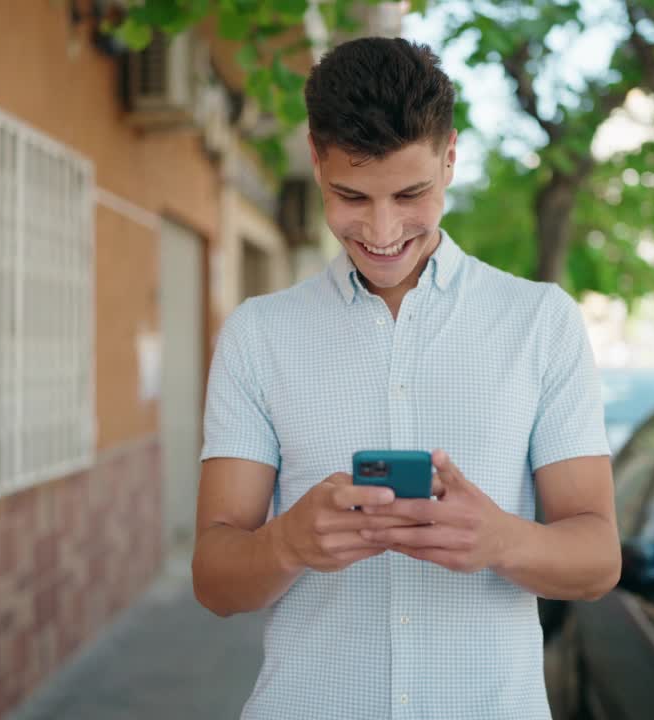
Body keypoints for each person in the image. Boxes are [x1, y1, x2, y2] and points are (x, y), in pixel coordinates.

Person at [193, 36, 620, 720]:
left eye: (411, 193)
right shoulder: (257, 335)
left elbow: (598, 559)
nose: (383, 229)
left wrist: (503, 539)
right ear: (315, 159)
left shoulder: (541, 323)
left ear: (450, 157)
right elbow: (214, 580)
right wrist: (287, 541)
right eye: (351, 196)